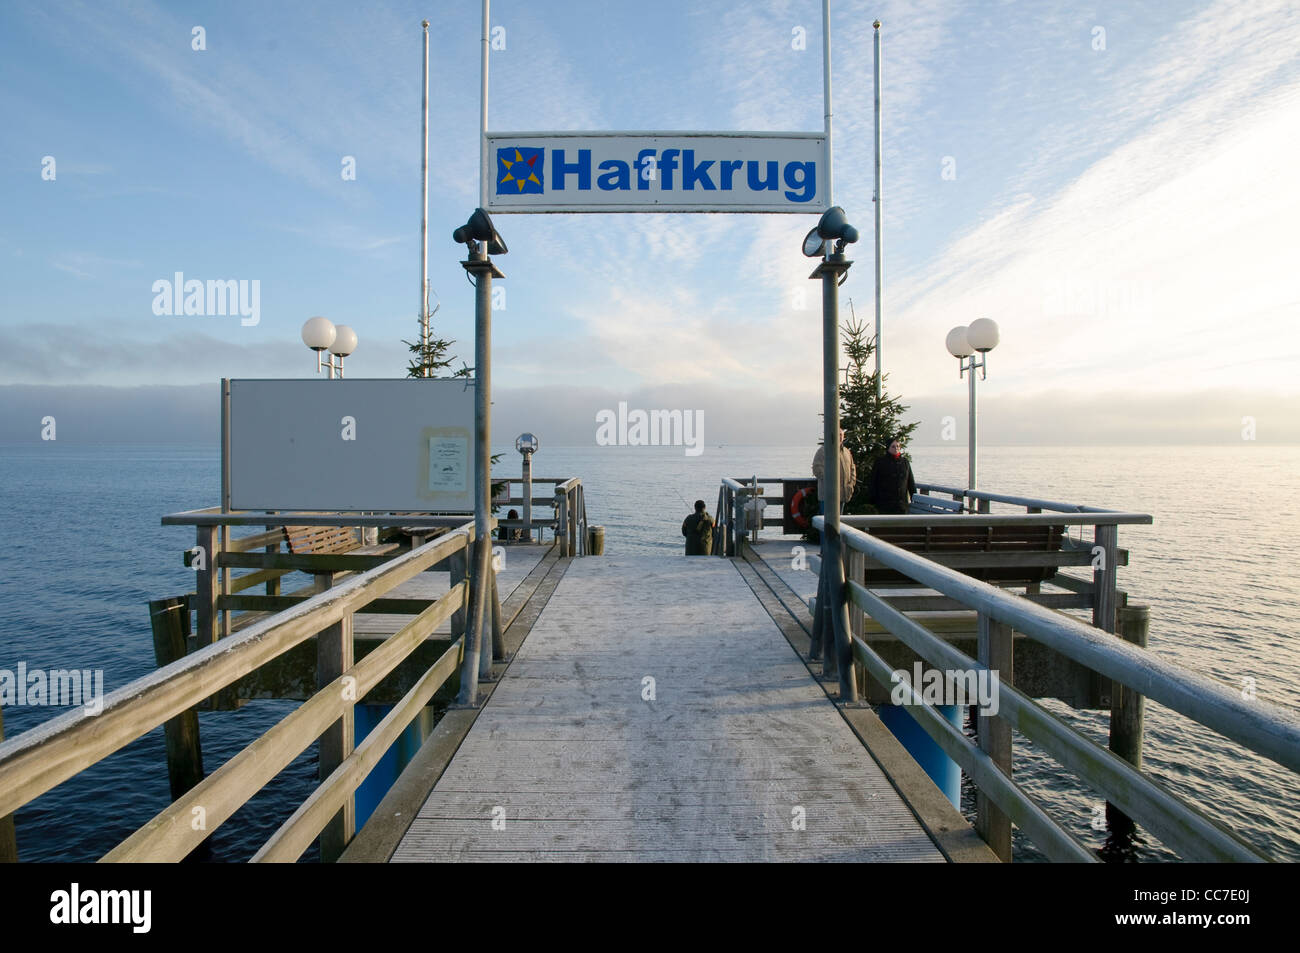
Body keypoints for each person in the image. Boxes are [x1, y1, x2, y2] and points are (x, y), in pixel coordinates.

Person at [811, 429, 857, 513]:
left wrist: (851, 484)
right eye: (837, 434)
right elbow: (816, 468)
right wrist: (831, 481)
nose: (839, 437)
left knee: (839, 523)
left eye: (841, 435)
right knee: (827, 523)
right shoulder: (823, 451)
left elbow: (852, 469)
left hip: (843, 495)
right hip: (827, 497)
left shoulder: (847, 452)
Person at [869, 437, 917, 514]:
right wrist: (873, 500)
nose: (896, 448)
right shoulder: (880, 462)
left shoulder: (905, 462)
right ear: (888, 448)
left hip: (902, 505)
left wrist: (914, 498)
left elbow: (910, 482)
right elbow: (873, 482)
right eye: (893, 446)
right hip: (884, 505)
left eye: (898, 446)